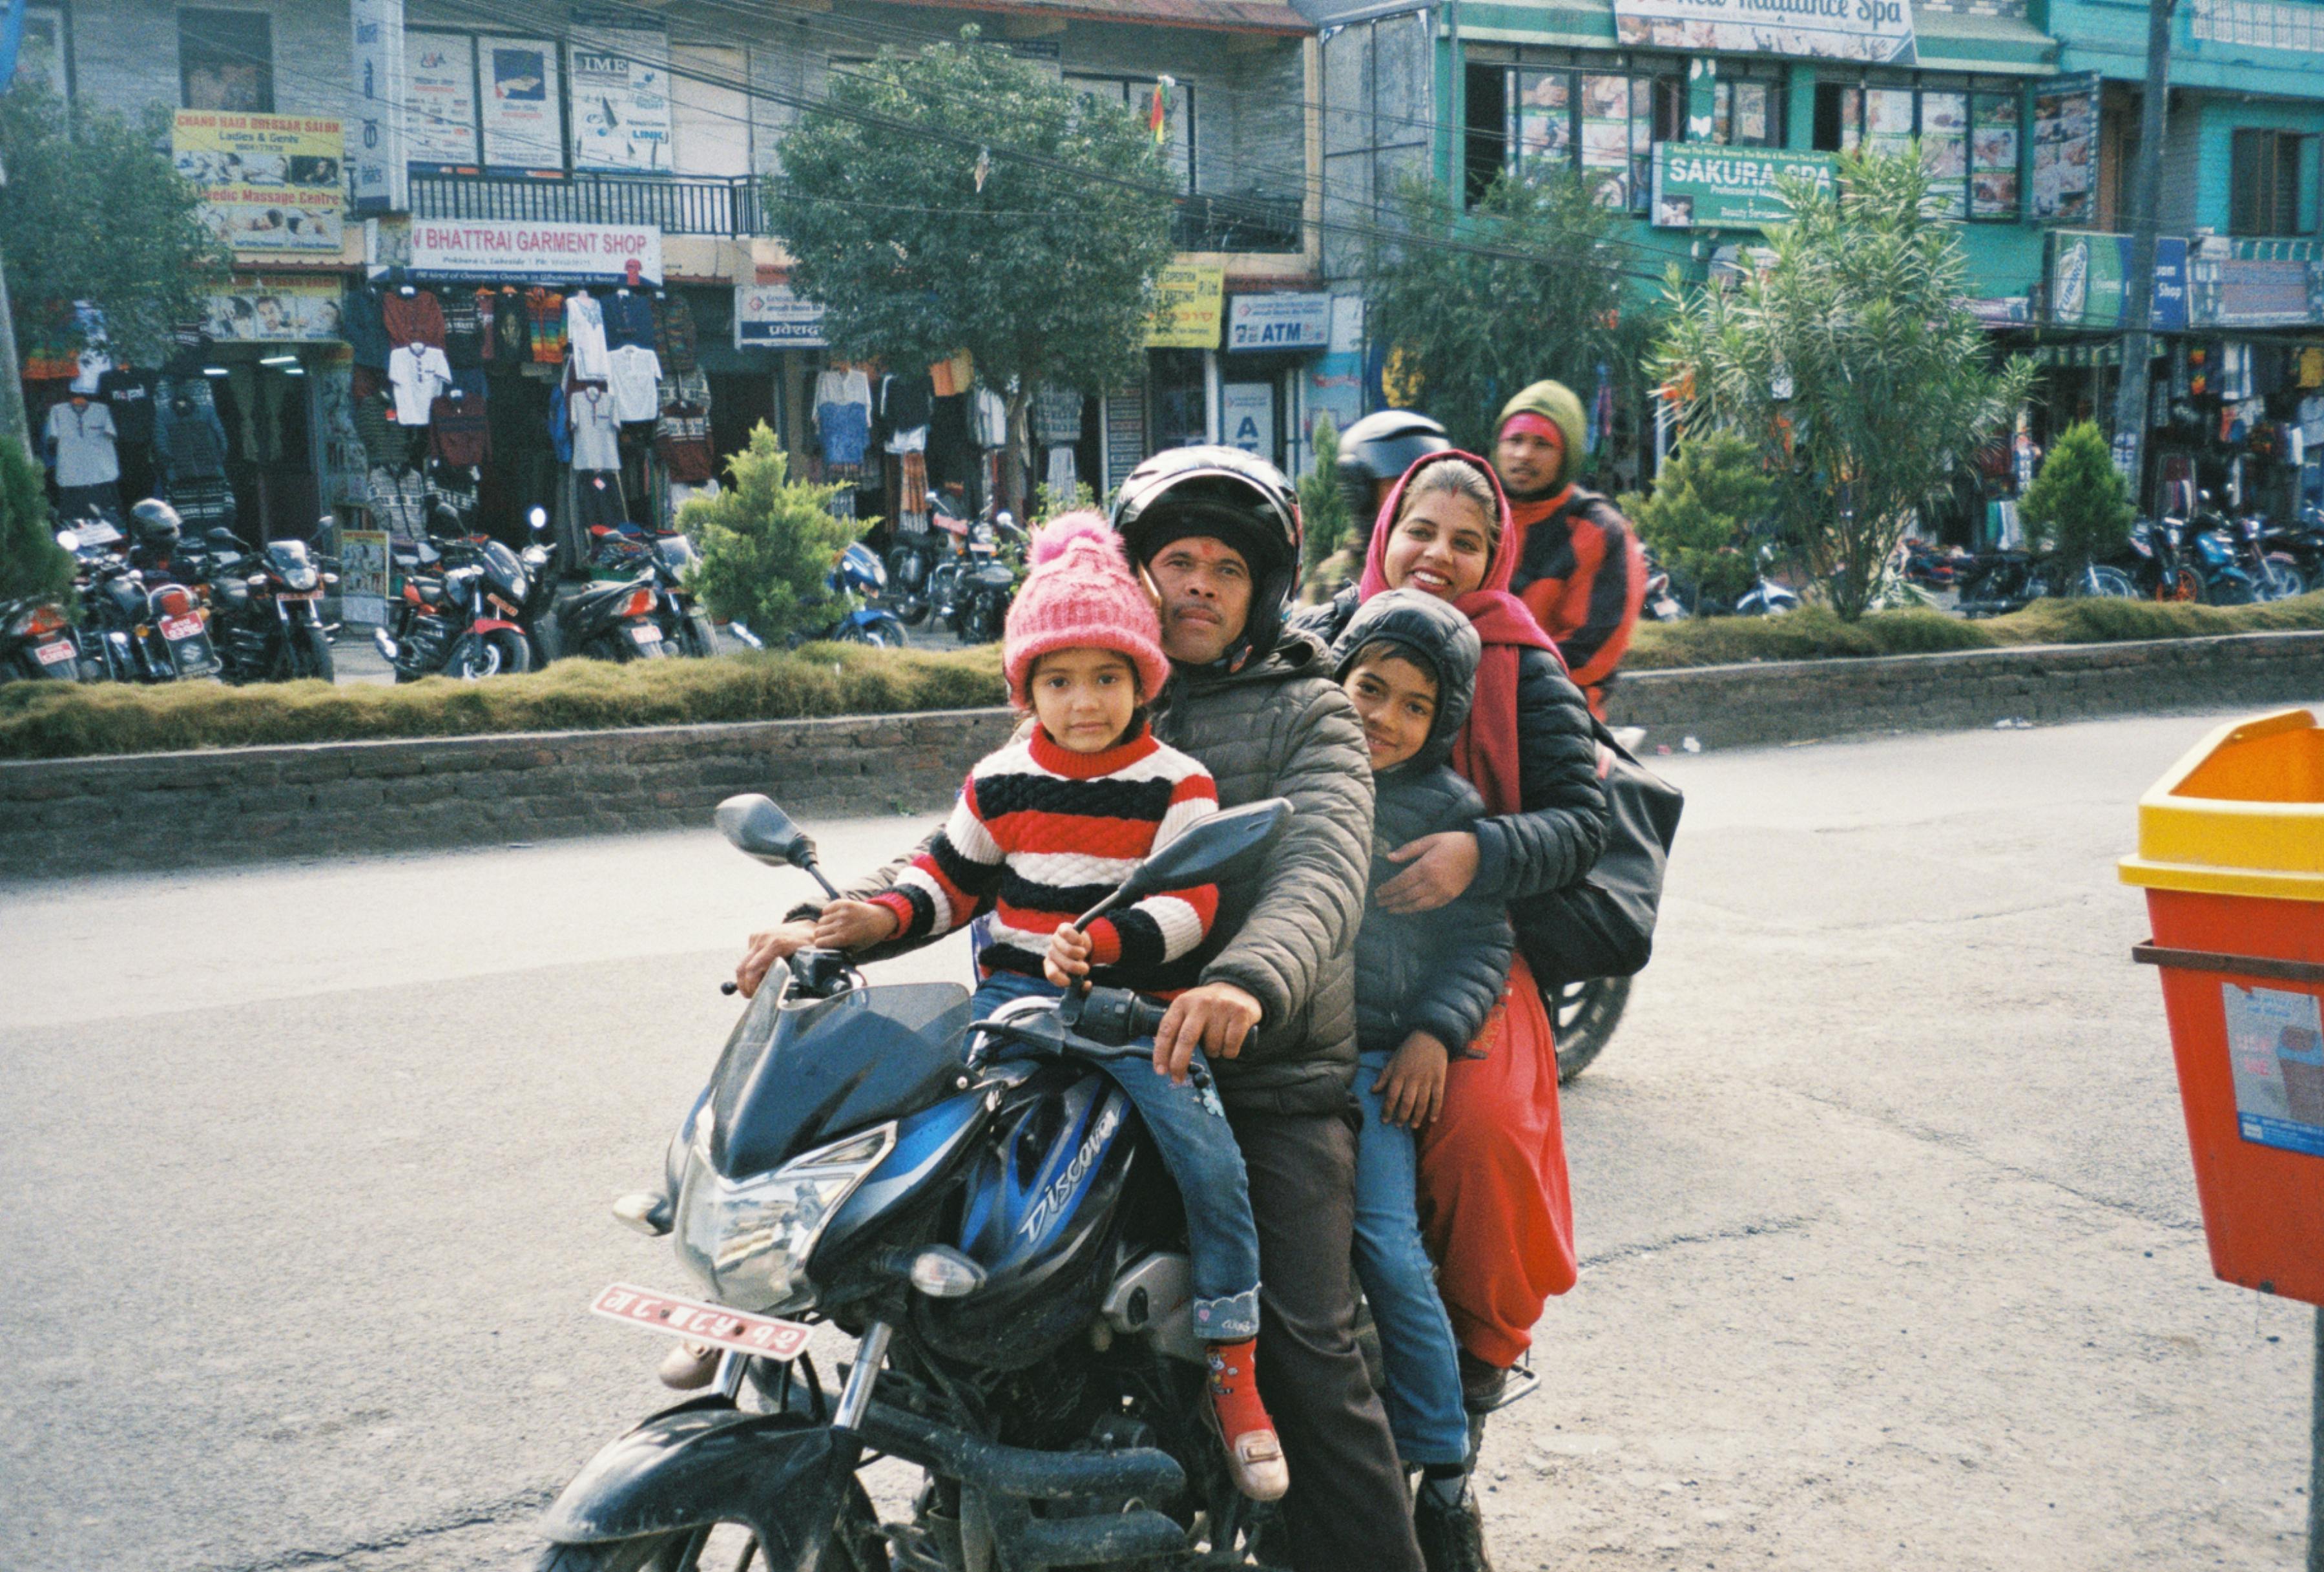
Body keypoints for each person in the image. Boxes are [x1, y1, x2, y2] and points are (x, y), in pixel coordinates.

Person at [738, 447, 1418, 1572]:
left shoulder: (1311, 712)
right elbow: (966, 852)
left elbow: (1320, 873)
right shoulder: (1082, 682)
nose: (1197, 584)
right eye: (1175, 561)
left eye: (1225, 569)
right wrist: (843, 914)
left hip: (1254, 1073)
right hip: (1054, 1052)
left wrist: (1241, 981)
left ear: (1262, 590)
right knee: (924, 1258)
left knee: (1305, 1343)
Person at [807, 511, 1289, 1502]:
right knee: (920, 1148)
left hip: (1134, 1019)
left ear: (1142, 678)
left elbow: (1188, 904)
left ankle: (1233, 1368)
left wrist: (1107, 943)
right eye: (1058, 680)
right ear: (1025, 687)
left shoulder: (1175, 782)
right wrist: (864, 919)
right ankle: (872, 1336)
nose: (1083, 701)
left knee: (1212, 1169)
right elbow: (946, 882)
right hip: (1015, 1011)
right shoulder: (1000, 777)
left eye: (1107, 676)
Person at [1296, 450, 1607, 1453]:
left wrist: (1478, 853)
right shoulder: (1318, 638)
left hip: (1471, 948)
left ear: (1495, 555)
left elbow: (1581, 826)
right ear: (1385, 531)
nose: (1438, 554)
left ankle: (1469, 1373)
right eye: (1419, 530)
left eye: (1467, 542)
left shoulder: (1524, 663)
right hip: (1307, 940)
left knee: (1480, 1131)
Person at [1331, 589, 1515, 1572]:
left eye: (1412, 705)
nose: (1383, 718)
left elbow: (1482, 940)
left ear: (1441, 722)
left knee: (1390, 1251)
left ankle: (1443, 1464)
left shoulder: (1447, 813)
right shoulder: (1301, 774)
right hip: (1276, 1057)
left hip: (1374, 1067)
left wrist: (1433, 1037)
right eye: (1368, 687)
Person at [1491, 381, 1648, 719]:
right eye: (1514, 440)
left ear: (1569, 454)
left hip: (1556, 718)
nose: (1523, 455)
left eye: (1542, 444)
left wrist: (1492, 682)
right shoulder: (1475, 512)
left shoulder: (1598, 530)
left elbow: (1590, 651)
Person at [1304, 410, 1451, 606]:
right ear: (1361, 491)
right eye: (1401, 486)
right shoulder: (1333, 581)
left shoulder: (1447, 568)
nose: (1417, 500)